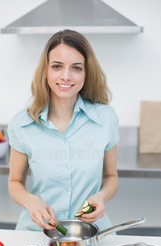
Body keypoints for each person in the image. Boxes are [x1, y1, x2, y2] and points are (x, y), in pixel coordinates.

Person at [7, 29, 119, 232]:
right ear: (46, 70)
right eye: (57, 66)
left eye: (76, 68)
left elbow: (111, 177)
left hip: (91, 232)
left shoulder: (107, 119)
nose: (66, 76)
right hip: (37, 233)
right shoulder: (21, 124)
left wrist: (101, 197)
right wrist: (32, 202)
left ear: (86, 72)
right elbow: (15, 182)